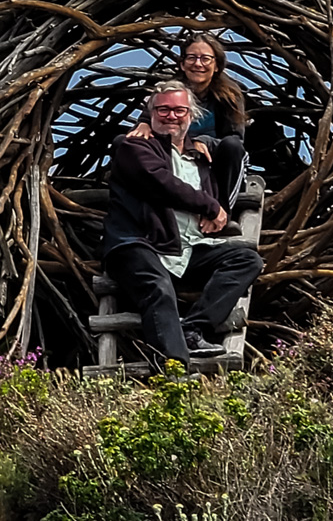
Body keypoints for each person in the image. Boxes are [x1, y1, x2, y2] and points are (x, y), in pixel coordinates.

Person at [103, 80, 263, 366]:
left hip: (185, 248)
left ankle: (194, 328)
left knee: (246, 260)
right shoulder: (134, 146)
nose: (171, 116)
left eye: (179, 110)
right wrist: (213, 207)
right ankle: (174, 369)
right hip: (141, 243)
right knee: (158, 289)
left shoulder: (200, 156)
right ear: (150, 114)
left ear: (192, 115)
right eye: (163, 109)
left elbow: (220, 175)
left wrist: (216, 212)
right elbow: (162, 183)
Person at [129, 33, 249, 216]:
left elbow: (235, 139)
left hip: (213, 163)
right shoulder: (169, 91)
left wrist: (204, 142)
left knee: (232, 147)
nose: (198, 64)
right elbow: (147, 119)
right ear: (182, 63)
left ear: (217, 65)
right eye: (192, 57)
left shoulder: (229, 96)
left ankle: (223, 212)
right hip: (173, 159)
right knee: (124, 143)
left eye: (206, 58)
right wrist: (144, 124)